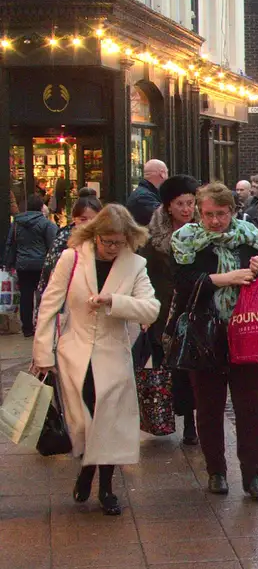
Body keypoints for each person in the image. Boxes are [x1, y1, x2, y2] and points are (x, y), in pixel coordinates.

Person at [33, 203, 159, 516]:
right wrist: (42, 353)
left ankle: (105, 487)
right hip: (75, 351)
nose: (112, 248)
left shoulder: (135, 264)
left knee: (110, 419)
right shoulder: (72, 258)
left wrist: (114, 301)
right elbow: (49, 306)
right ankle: (88, 468)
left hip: (114, 352)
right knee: (86, 418)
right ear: (95, 235)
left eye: (119, 242)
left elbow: (151, 308)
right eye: (107, 242)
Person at [169, 182, 258, 499]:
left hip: (244, 330)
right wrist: (224, 279)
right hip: (204, 332)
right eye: (209, 214)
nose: (215, 221)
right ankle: (216, 472)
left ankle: (252, 475)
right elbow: (183, 285)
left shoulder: (249, 237)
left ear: (233, 211)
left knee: (249, 407)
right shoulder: (186, 241)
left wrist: (257, 268)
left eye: (222, 214)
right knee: (209, 407)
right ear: (199, 212)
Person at [141, 175, 200, 446]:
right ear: (168, 206)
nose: (187, 209)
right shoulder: (152, 239)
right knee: (166, 366)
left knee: (191, 366)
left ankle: (190, 423)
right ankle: (165, 415)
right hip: (162, 311)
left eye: (191, 203)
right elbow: (144, 276)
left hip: (195, 308)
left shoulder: (202, 233)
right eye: (181, 204)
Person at [37, 193, 102, 312]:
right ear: (74, 218)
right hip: (68, 302)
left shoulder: (104, 239)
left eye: (94, 219)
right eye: (83, 219)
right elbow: (51, 275)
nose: (88, 223)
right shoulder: (64, 239)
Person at [5, 193, 58, 336]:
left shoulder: (17, 222)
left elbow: (11, 243)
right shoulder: (45, 223)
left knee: (26, 296)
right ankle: (41, 324)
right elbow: (54, 243)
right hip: (41, 264)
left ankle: (27, 328)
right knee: (43, 295)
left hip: (22, 265)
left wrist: (9, 263)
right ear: (41, 207)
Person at [125, 158, 168, 226]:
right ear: (162, 174)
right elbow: (165, 217)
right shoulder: (143, 197)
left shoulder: (146, 193)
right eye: (167, 172)